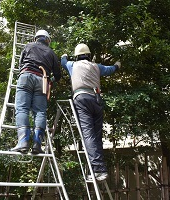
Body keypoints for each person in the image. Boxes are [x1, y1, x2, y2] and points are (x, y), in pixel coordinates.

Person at [61, 43, 121, 181]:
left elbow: (63, 62)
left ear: (77, 56)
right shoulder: (96, 66)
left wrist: (64, 55)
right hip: (97, 100)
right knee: (96, 135)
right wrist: (118, 65)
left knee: (88, 134)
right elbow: (111, 69)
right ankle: (98, 169)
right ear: (89, 55)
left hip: (82, 99)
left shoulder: (72, 65)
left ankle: (98, 170)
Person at [11, 30, 61, 154]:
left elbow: (20, 64)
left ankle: (23, 142)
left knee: (22, 109)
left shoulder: (28, 46)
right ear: (47, 40)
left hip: (26, 76)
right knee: (40, 112)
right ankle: (37, 145)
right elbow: (58, 75)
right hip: (42, 81)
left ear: (36, 38)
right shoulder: (51, 53)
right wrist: (50, 80)